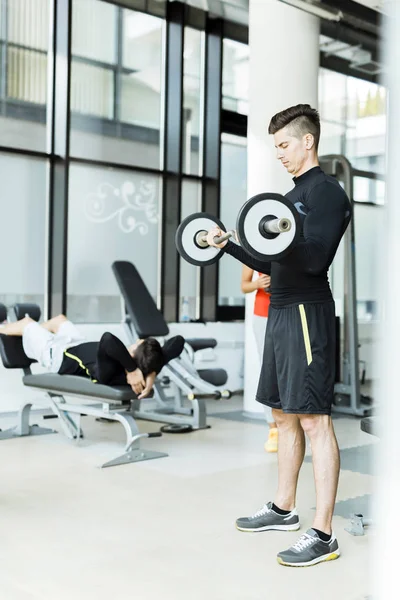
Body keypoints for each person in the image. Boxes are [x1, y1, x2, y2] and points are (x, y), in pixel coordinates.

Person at [207, 104, 351, 567]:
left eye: (285, 145)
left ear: (307, 141)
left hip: (308, 311)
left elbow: (312, 259)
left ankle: (323, 533)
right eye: (276, 148)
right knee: (282, 414)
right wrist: (230, 244)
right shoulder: (289, 198)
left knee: (314, 419)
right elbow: (271, 263)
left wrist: (274, 232)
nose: (281, 155)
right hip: (281, 311)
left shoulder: (326, 193)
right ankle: (283, 507)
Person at [0, 314, 184, 399]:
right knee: (59, 320)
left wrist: (131, 369)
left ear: (132, 353)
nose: (135, 340)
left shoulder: (111, 370)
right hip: (75, 344)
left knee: (28, 324)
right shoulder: (147, 364)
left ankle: (5, 328)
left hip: (54, 354)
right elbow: (178, 341)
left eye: (137, 343)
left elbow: (108, 339)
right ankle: (28, 336)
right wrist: (151, 373)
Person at [241, 266, 278, 453]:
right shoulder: (255, 252)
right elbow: (244, 286)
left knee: (290, 369)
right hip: (262, 315)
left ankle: (295, 425)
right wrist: (257, 283)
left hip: (288, 312)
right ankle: (273, 428)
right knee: (268, 370)